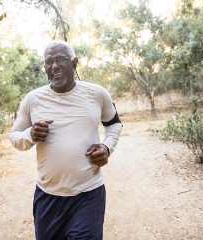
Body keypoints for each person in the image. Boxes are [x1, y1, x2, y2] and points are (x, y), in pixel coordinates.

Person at [9, 40, 122, 240]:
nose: (54, 66)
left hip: (89, 194)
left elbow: (114, 123)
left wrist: (107, 146)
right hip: (47, 196)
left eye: (61, 59)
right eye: (49, 62)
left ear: (74, 62)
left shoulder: (97, 94)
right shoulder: (33, 99)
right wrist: (30, 135)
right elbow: (14, 135)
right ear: (44, 67)